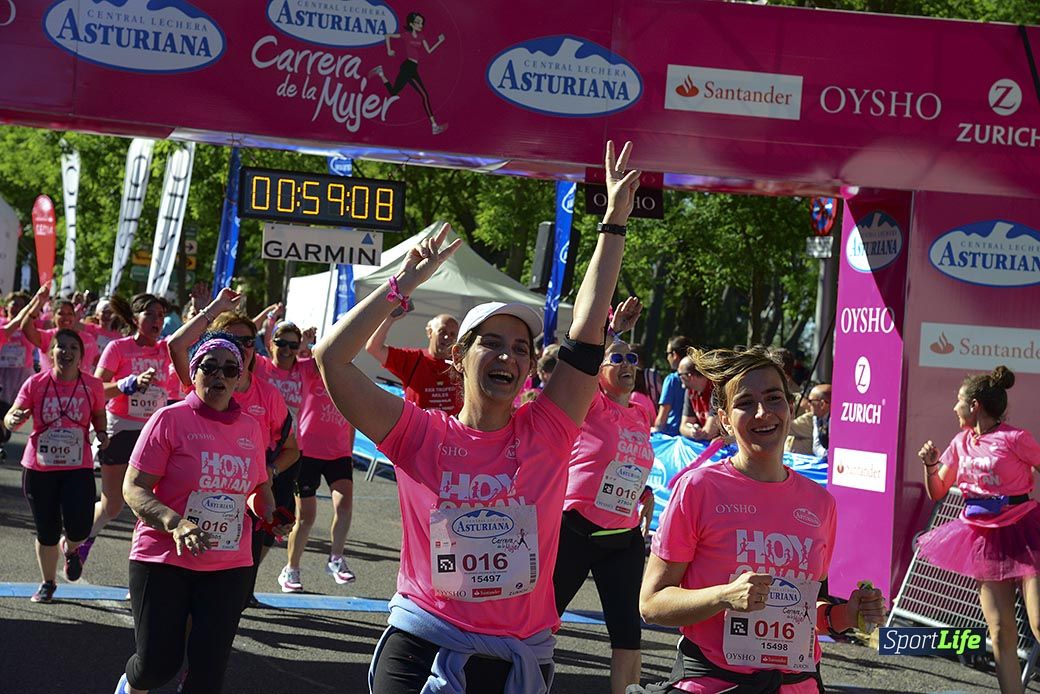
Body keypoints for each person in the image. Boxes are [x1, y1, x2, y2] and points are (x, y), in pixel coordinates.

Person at [314, 141, 640, 693]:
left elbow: (585, 338)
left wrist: (612, 223)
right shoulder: (418, 431)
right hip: (423, 638)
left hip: (516, 652)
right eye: (491, 343)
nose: (507, 356)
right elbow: (331, 359)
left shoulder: (548, 428)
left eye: (520, 347)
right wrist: (401, 288)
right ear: (459, 356)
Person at [637, 346, 884, 693]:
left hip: (799, 685)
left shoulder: (820, 503)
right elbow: (651, 603)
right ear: (724, 418)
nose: (762, 412)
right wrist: (724, 596)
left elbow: (804, 610)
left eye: (773, 398)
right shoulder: (699, 489)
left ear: (789, 405)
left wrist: (847, 615)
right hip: (717, 683)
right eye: (745, 403)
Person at [113, 335, 289, 694]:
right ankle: (131, 683)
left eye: (229, 369)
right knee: (156, 666)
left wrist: (271, 514)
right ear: (193, 372)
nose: (218, 376)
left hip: (228, 564)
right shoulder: (169, 419)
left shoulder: (250, 429)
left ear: (239, 379)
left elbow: (257, 490)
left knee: (208, 673)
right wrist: (175, 524)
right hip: (163, 559)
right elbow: (133, 488)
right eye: (209, 367)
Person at [167, 291, 300, 607]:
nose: (243, 347)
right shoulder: (201, 379)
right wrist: (213, 309)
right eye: (235, 339)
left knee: (224, 602)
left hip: (245, 495)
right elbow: (175, 346)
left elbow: (292, 448)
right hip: (192, 494)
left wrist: (269, 471)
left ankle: (239, 595)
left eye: (249, 341)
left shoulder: (268, 395)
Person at [917, 366, 1040, 694]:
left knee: (1039, 623)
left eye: (958, 401)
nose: (953, 408)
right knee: (1000, 632)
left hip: (1026, 532)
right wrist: (930, 465)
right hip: (984, 537)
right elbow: (939, 490)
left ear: (974, 406)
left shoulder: (1015, 438)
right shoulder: (959, 442)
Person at [553, 319, 656, 694]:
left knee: (628, 632)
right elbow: (580, 358)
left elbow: (631, 466)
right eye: (618, 359)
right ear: (600, 370)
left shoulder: (642, 413)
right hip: (576, 529)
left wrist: (643, 494)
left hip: (623, 537)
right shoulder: (589, 402)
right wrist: (610, 331)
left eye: (633, 358)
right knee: (543, 621)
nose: (628, 364)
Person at [4, 329, 108, 602]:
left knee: (81, 527)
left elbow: (99, 416)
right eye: (61, 347)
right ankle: (48, 582)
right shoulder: (36, 384)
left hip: (78, 467)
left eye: (73, 347)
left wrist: (104, 434)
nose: (67, 352)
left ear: (81, 356)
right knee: (46, 530)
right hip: (40, 468)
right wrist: (13, 419)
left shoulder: (92, 385)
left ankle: (71, 548)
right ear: (51, 353)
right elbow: (11, 417)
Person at [80, 294, 174, 568]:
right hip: (121, 428)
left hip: (154, 431)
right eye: (151, 314)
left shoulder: (166, 348)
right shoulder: (118, 348)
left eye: (161, 315)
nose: (158, 320)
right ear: (136, 319)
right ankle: (81, 540)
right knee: (113, 506)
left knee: (152, 503)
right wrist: (126, 384)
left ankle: (147, 565)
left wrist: (207, 309)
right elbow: (95, 389)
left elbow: (191, 335)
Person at [278, 336, 359, 591]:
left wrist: (348, 450)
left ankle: (336, 559)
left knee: (344, 504)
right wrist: (304, 343)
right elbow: (293, 360)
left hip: (338, 453)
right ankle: (291, 569)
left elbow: (353, 417)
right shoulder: (310, 371)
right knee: (306, 517)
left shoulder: (348, 380)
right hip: (308, 452)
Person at [365, 310, 463, 415]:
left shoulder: (461, 364)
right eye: (442, 331)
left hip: (452, 430)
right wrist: (389, 319)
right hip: (420, 429)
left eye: (452, 334)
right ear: (430, 333)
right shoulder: (413, 359)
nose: (447, 337)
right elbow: (373, 348)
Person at [370, 11, 448, 135]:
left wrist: (439, 41)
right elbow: (387, 36)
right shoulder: (406, 35)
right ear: (411, 24)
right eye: (417, 22)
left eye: (421, 23)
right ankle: (434, 126)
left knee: (394, 92)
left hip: (412, 68)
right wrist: (389, 50)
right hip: (408, 67)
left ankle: (380, 73)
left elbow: (429, 51)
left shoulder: (421, 36)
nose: (420, 25)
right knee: (424, 95)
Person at [22, 290, 101, 371]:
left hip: (81, 383)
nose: (66, 317)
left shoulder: (88, 339)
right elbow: (26, 328)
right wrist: (39, 303)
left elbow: (98, 362)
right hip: (51, 383)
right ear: (53, 317)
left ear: (74, 317)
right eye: (61, 314)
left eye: (69, 314)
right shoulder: (49, 337)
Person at [653, 336, 692, 436]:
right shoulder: (697, 378)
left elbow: (662, 417)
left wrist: (654, 430)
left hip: (671, 436)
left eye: (668, 354)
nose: (667, 358)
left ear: (674, 355)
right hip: (691, 435)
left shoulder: (672, 380)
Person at [678, 357, 719, 441]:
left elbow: (709, 433)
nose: (679, 380)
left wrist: (699, 433)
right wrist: (692, 432)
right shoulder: (690, 391)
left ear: (689, 376)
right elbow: (683, 427)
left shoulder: (716, 389)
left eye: (680, 375)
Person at [786, 383, 830, 458]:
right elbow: (816, 446)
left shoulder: (837, 421)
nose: (809, 405)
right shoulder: (816, 417)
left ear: (822, 404)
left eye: (811, 401)